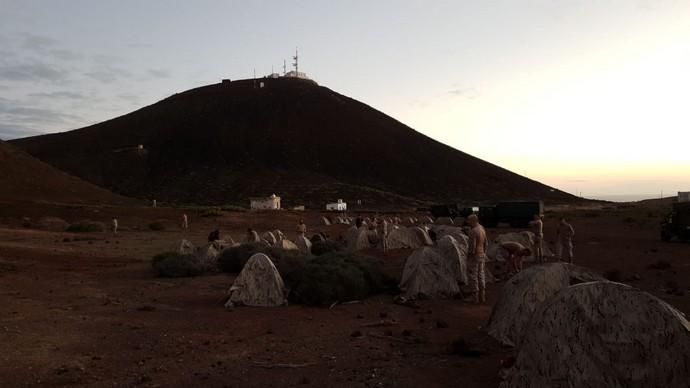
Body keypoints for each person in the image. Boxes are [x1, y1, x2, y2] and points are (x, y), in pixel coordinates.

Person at [467, 214, 488, 303]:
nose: (468, 222)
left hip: (475, 256)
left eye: (469, 221)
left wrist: (469, 255)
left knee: (473, 276)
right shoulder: (482, 229)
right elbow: (486, 243)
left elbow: (472, 247)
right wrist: (484, 253)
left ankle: (474, 297)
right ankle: (482, 297)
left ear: (473, 220)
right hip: (482, 255)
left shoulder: (473, 231)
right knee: (481, 275)